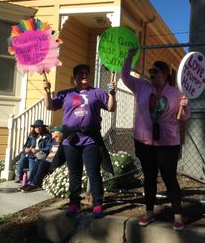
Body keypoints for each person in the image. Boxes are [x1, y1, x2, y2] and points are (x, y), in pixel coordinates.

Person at [121, 48, 191, 231]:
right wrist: (129, 57)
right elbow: (125, 77)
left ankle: (178, 215)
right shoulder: (141, 86)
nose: (151, 74)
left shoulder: (176, 93)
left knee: (169, 178)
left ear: (165, 74)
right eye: (150, 71)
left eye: (155, 71)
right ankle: (149, 212)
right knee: (149, 178)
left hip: (168, 143)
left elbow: (183, 117)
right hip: (144, 142)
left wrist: (184, 106)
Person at [43, 64, 116, 218]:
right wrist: (47, 91)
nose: (83, 75)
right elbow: (50, 106)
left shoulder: (97, 92)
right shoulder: (66, 94)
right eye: (80, 73)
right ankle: (74, 203)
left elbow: (110, 108)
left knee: (93, 172)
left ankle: (97, 204)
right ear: (74, 77)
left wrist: (112, 94)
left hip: (90, 139)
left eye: (86, 73)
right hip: (70, 141)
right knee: (74, 173)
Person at [20, 125, 64, 192]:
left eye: (53, 132)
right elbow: (48, 150)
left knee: (43, 162)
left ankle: (35, 183)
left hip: (55, 162)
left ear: (58, 134)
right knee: (39, 160)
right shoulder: (54, 141)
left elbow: (59, 156)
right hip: (49, 159)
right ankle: (30, 182)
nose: (51, 133)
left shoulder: (62, 143)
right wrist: (38, 152)